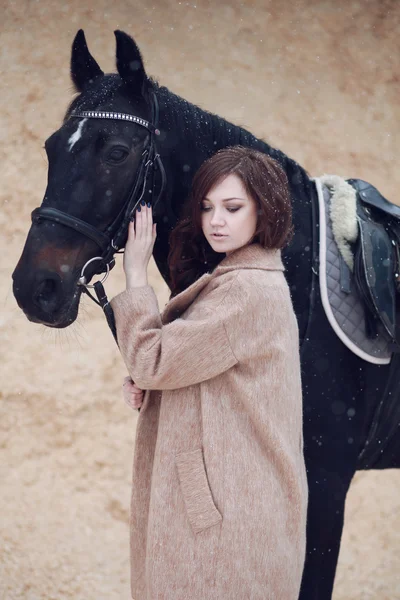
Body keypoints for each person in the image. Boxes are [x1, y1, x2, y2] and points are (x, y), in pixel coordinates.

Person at [110, 145, 308, 600]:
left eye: (233, 207)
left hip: (224, 520)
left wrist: (136, 275)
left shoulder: (247, 291)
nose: (216, 220)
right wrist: (156, 386)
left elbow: (153, 359)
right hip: (233, 506)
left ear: (266, 210)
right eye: (207, 207)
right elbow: (183, 365)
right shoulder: (242, 282)